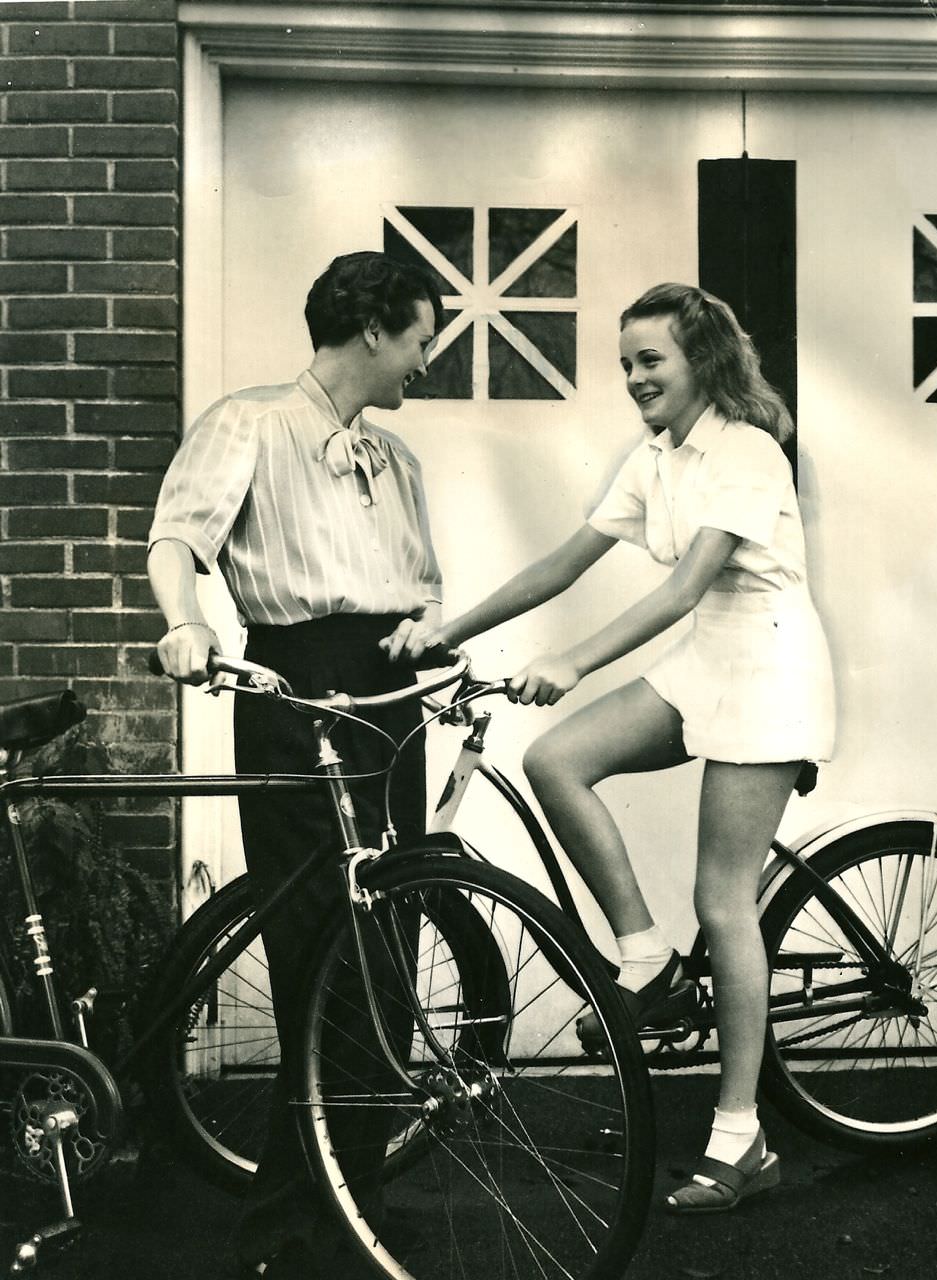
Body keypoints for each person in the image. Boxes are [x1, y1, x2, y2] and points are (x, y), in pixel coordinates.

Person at [388, 282, 836, 1214]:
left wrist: (574, 661)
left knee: (723, 900)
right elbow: (565, 559)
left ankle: (740, 1136)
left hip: (768, 669)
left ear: (701, 361)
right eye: (626, 361)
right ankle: (645, 960)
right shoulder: (657, 453)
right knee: (557, 760)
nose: (633, 377)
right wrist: (451, 631)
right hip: (707, 656)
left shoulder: (747, 451)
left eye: (651, 360)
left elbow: (682, 591)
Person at [147, 251, 444, 1276]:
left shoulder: (394, 457)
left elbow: (418, 586)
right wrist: (186, 626)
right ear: (373, 329)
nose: (424, 357)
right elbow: (176, 542)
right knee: (322, 964)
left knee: (387, 965)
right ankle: (282, 1227)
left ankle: (351, 1206)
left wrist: (422, 636)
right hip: (300, 693)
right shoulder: (252, 422)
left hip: (392, 702)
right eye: (419, 335)